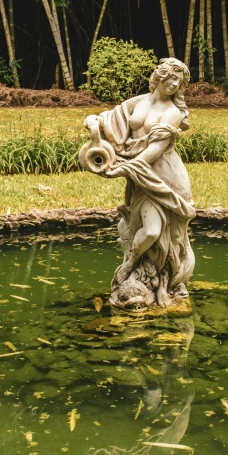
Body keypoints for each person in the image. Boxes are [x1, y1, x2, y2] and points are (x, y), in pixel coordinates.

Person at [81, 58, 196, 309]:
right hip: (139, 175)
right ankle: (140, 276)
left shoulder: (173, 113)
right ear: (161, 76)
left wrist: (125, 168)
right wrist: (93, 121)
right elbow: (111, 119)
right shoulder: (138, 102)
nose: (175, 85)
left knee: (163, 233)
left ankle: (156, 276)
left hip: (163, 176)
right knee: (137, 226)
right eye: (172, 78)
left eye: (180, 82)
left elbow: (154, 151)